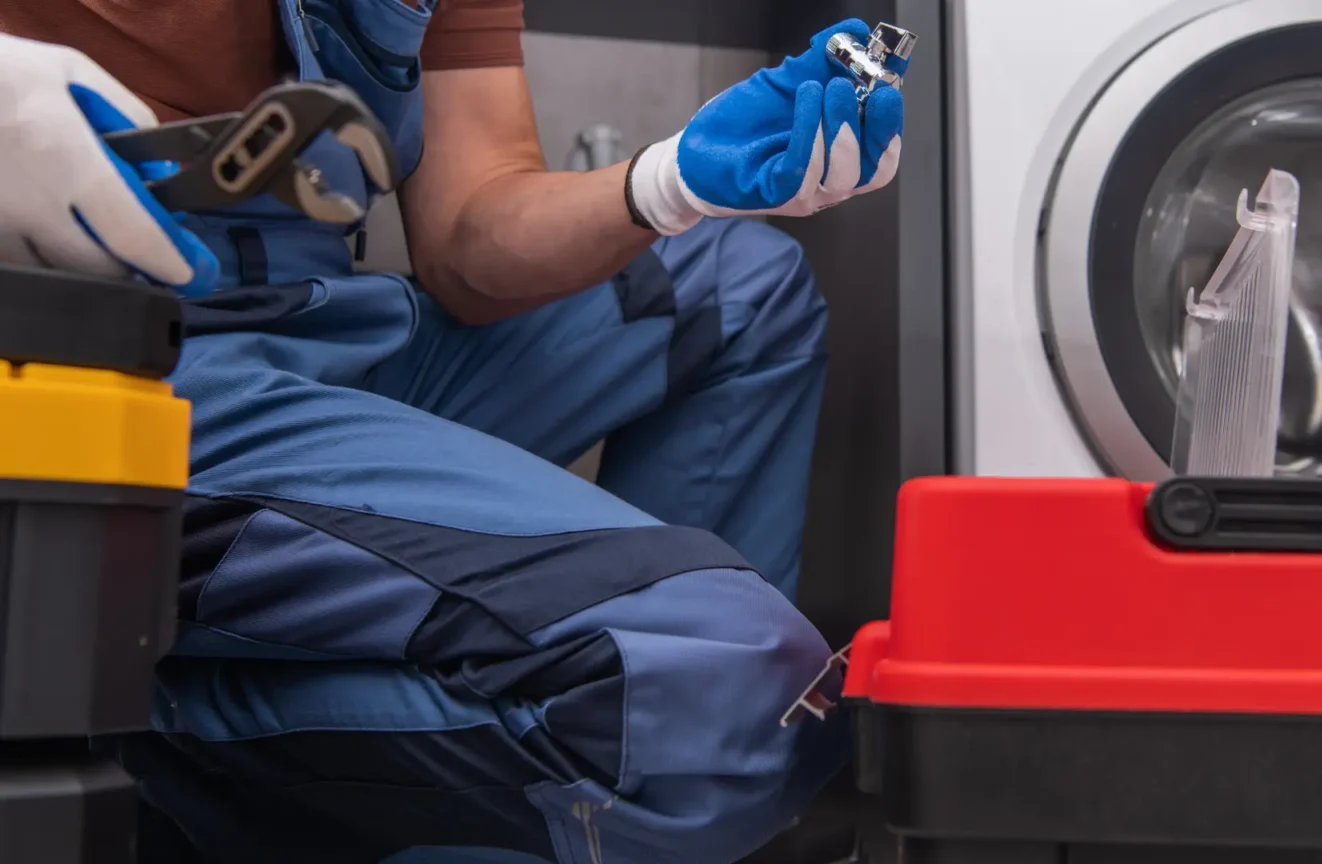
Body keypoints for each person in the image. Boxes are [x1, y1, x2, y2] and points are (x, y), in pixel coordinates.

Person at [0, 2, 904, 863]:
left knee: (740, 287)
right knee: (735, 697)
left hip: (324, 321)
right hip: (105, 369)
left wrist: (664, 183)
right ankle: (131, 746)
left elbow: (471, 237)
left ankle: (635, 768)